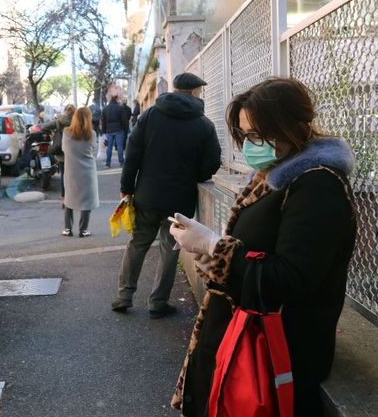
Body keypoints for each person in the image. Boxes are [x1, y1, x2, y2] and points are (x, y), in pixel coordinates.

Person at [169, 78, 356, 416]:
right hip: (250, 340)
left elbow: (290, 279)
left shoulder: (317, 186)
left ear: (290, 125)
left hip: (277, 352)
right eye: (245, 135)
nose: (250, 145)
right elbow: (254, 252)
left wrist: (214, 245)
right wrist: (207, 248)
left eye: (259, 134)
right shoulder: (278, 173)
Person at [111, 72, 221, 319]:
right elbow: (211, 163)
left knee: (137, 244)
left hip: (147, 196)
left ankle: (123, 296)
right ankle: (157, 303)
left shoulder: (150, 115)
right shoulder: (204, 124)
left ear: (175, 89)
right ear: (194, 93)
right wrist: (196, 175)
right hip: (180, 201)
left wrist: (127, 187)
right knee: (170, 249)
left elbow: (133, 155)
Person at [61, 107, 99, 238]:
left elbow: (64, 149)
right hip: (87, 171)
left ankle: (67, 229)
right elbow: (95, 152)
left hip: (71, 170)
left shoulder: (66, 132)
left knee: (69, 198)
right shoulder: (91, 134)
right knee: (87, 200)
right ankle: (83, 230)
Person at [41, 104, 76, 202]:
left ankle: (64, 197)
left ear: (65, 111)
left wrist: (53, 134)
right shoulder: (77, 122)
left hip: (60, 152)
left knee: (64, 175)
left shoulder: (58, 121)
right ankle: (73, 197)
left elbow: (44, 127)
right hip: (74, 153)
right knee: (73, 176)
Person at [101, 92, 125, 168]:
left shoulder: (105, 108)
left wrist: (104, 131)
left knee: (109, 147)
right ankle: (121, 162)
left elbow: (103, 121)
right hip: (119, 129)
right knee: (119, 146)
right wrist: (124, 129)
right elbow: (123, 120)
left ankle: (108, 163)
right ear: (117, 98)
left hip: (109, 130)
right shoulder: (120, 107)